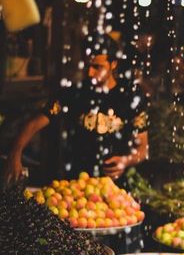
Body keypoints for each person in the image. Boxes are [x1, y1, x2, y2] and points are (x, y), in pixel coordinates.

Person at [5, 36, 149, 182]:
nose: (90, 73)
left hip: (115, 190)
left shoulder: (130, 98)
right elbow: (35, 122)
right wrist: (15, 153)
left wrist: (126, 161)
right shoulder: (74, 94)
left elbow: (142, 150)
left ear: (113, 64)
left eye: (97, 67)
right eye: (88, 66)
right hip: (75, 186)